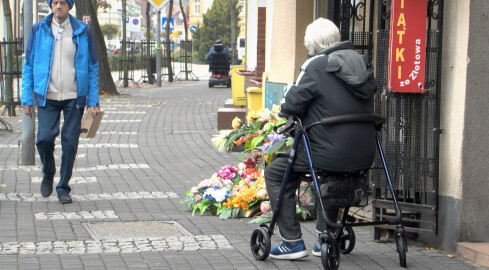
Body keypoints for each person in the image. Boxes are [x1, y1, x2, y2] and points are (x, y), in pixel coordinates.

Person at [264, 18, 378, 260]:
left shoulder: (316, 65)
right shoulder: (361, 64)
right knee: (334, 171)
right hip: (364, 152)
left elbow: (290, 104)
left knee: (276, 172)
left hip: (325, 152)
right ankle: (325, 236)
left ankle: (292, 242)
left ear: (312, 43)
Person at [21, 0, 100, 204]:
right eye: (54, 2)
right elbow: (28, 65)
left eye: (62, 3)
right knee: (44, 138)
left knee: (70, 142)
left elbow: (92, 66)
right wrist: (26, 98)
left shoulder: (82, 30)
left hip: (75, 96)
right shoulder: (39, 29)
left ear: (69, 6)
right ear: (51, 5)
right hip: (47, 95)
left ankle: (63, 187)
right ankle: (48, 171)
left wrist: (93, 100)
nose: (58, 6)